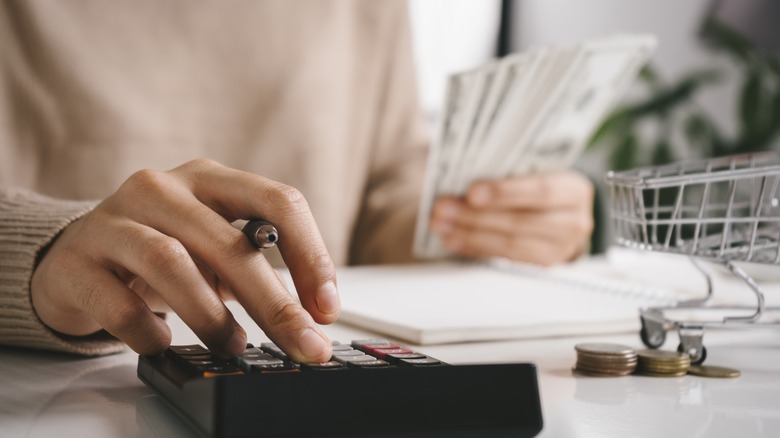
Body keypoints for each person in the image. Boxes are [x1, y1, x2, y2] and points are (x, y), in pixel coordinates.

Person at [0, 1, 593, 363]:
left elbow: (388, 189)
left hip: (312, 374)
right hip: (57, 386)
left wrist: (485, 216)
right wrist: (42, 251)